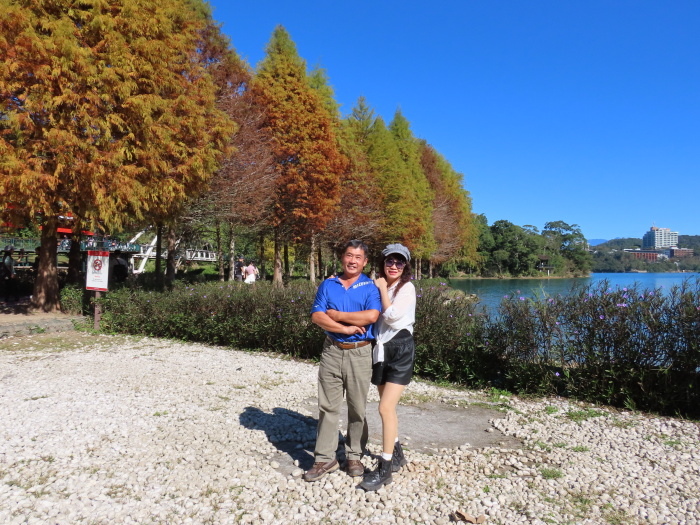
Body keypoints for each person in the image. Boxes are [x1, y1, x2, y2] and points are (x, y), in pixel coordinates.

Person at [304, 240, 382, 482]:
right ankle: (324, 458)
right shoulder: (329, 284)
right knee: (327, 406)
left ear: (365, 262)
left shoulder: (370, 287)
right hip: (332, 351)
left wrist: (337, 315)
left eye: (358, 257)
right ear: (342, 258)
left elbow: (371, 316)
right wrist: (345, 329)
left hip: (360, 353)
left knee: (357, 407)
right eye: (349, 255)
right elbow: (317, 316)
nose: (353, 261)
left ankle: (354, 455)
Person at [360, 243, 416, 491]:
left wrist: (382, 289)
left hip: (401, 350)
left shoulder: (407, 288)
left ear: (405, 266)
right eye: (389, 261)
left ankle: (384, 469)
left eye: (399, 262)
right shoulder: (378, 285)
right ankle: (396, 455)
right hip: (381, 349)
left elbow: (392, 316)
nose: (394, 266)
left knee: (384, 407)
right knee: (387, 407)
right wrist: (337, 279)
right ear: (382, 264)